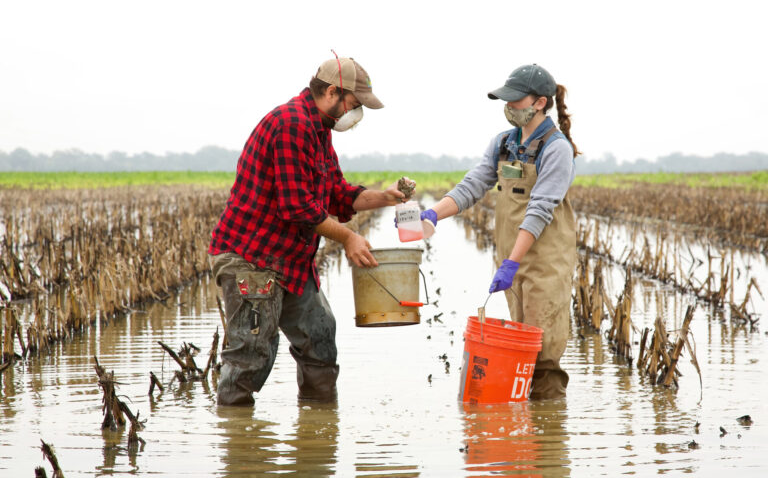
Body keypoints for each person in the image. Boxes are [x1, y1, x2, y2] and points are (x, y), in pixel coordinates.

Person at [208, 53, 405, 406]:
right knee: (252, 355)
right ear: (332, 92)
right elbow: (297, 207)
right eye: (354, 104)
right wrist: (348, 237)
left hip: (289, 262)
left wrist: (383, 198)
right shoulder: (291, 124)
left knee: (320, 335)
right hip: (252, 260)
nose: (355, 113)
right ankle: (239, 444)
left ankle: (318, 432)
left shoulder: (319, 132)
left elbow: (337, 194)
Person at [421, 64, 579, 400]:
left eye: (515, 101)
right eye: (505, 101)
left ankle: (549, 441)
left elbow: (539, 211)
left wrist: (511, 262)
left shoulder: (556, 148)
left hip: (544, 267)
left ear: (539, 103)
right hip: (514, 263)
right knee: (520, 353)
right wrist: (435, 213)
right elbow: (473, 185)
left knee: (543, 357)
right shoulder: (504, 143)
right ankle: (524, 439)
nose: (508, 107)